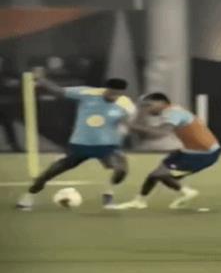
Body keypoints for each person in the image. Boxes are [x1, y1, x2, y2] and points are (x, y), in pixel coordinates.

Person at [16, 71, 136, 210]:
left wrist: (123, 129)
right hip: (80, 145)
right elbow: (59, 91)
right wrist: (42, 80)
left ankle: (108, 194)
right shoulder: (87, 93)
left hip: (107, 147)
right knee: (51, 172)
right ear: (105, 89)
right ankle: (29, 196)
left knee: (121, 170)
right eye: (111, 92)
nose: (114, 96)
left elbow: (128, 122)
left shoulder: (126, 103)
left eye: (118, 94)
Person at [110, 92, 221, 210]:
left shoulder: (174, 113)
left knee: (160, 175)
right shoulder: (170, 111)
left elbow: (161, 132)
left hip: (204, 153)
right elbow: (150, 134)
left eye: (149, 105)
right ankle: (139, 202)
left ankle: (187, 192)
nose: (147, 109)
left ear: (161, 103)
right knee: (154, 175)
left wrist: (132, 126)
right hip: (189, 151)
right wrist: (138, 121)